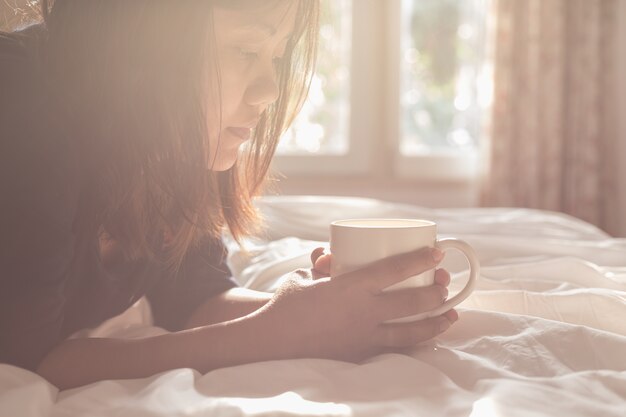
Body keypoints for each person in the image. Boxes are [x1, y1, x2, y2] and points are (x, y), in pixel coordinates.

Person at [0, 0, 458, 390]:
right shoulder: (21, 112)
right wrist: (278, 332)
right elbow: (26, 361)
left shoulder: (169, 143)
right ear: (148, 35)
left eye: (277, 58)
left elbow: (196, 297)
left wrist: (329, 308)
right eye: (245, 50)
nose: (269, 91)